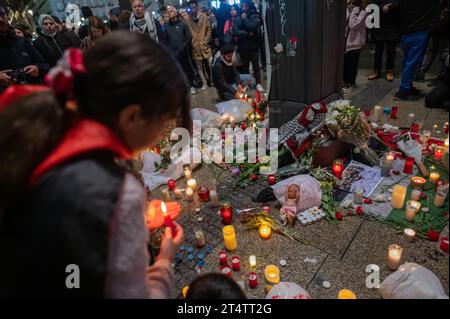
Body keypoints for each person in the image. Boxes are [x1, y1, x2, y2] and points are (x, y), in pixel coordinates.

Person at [0, 31, 189, 298]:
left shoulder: (38, 133)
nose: (163, 134)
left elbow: (69, 244)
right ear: (132, 116)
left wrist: (136, 223)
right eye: (164, 123)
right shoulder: (116, 191)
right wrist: (164, 262)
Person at [391, 0, 440, 101]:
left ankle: (407, 86)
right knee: (413, 62)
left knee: (408, 60)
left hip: (406, 30)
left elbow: (396, 8)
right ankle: (403, 91)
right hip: (419, 30)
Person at [0, 5, 49, 93]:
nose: (0, 19)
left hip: (34, 94)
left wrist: (37, 68)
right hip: (9, 100)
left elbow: (44, 64)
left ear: (7, 16)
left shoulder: (21, 41)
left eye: (2, 14)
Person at [165, 6, 197, 95]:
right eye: (168, 12)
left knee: (187, 70)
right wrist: (169, 51)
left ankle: (191, 86)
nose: (169, 13)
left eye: (171, 11)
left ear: (175, 13)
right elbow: (165, 40)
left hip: (183, 53)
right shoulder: (166, 26)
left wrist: (183, 48)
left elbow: (188, 37)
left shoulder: (182, 24)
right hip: (173, 54)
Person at [233, 0, 264, 92]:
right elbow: (235, 31)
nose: (243, 8)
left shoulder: (255, 15)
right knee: (244, 67)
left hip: (254, 46)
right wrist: (248, 33)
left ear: (249, 6)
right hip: (243, 47)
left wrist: (245, 19)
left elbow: (253, 27)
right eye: (242, 6)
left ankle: (258, 83)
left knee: (256, 66)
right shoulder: (237, 17)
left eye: (245, 6)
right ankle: (246, 84)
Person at [416, 0, 449, 82]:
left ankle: (441, 78)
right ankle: (420, 74)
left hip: (445, 33)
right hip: (435, 31)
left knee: (444, 55)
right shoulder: (437, 3)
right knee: (430, 53)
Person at [367, 0, 400, 81]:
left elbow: (399, 4)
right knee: (378, 52)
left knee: (391, 52)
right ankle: (376, 71)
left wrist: (390, 7)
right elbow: (371, 6)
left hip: (392, 26)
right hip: (379, 26)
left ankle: (389, 71)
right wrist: (382, 8)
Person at [184, 0, 213, 92]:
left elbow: (209, 28)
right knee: (199, 68)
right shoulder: (187, 19)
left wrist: (206, 40)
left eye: (194, 7)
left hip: (205, 45)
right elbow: (186, 33)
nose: (193, 9)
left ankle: (213, 80)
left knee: (211, 63)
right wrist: (192, 42)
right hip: (195, 46)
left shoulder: (203, 17)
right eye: (191, 8)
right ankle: (204, 83)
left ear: (197, 7)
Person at [342, 0, 367, 92]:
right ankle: (344, 81)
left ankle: (351, 83)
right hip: (346, 42)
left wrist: (354, 10)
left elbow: (352, 25)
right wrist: (349, 10)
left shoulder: (362, 12)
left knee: (353, 64)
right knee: (346, 62)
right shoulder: (348, 10)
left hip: (355, 43)